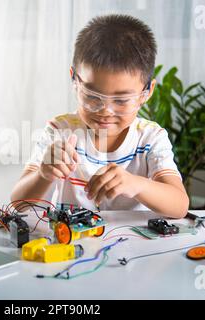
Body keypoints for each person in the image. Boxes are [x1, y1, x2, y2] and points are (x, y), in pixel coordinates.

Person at [11, 14, 189, 218]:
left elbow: (180, 205)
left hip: (135, 247)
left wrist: (137, 185)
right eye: (92, 96)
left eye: (121, 100)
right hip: (73, 244)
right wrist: (43, 174)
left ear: (146, 92)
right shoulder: (60, 130)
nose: (105, 111)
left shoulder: (150, 138)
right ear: (74, 80)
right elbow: (18, 204)